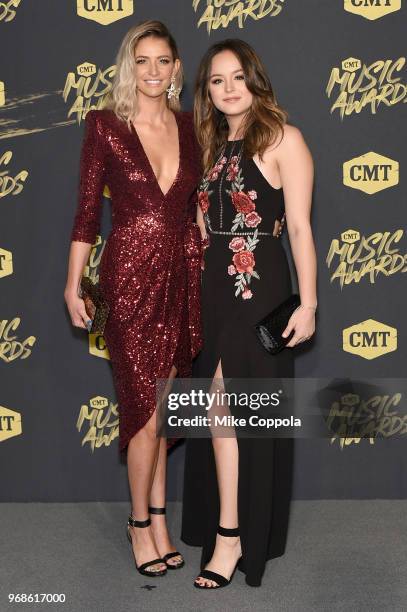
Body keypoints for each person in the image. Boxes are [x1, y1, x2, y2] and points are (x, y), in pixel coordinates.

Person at [64, 21, 203, 578]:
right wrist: (73, 284)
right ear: (129, 66)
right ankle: (139, 524)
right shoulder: (105, 126)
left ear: (175, 69)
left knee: (166, 412)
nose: (152, 71)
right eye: (142, 60)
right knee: (143, 413)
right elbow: (84, 215)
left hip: (183, 279)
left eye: (162, 61)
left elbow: (196, 207)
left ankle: (161, 521)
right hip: (128, 280)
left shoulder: (192, 127)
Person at [181, 39, 317, 588]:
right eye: (217, 80)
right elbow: (200, 221)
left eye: (237, 77)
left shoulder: (285, 139)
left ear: (254, 80)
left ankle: (232, 538)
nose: (229, 88)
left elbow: (302, 228)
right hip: (214, 287)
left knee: (234, 406)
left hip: (258, 286)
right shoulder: (212, 143)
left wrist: (308, 303)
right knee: (218, 408)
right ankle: (229, 529)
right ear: (206, 90)